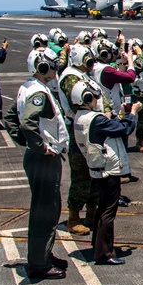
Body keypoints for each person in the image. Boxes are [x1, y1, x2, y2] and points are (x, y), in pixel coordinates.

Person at [14, 49, 70, 280]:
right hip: (44, 160)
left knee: (47, 208)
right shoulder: (39, 93)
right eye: (53, 65)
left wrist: (27, 143)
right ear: (43, 68)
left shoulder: (28, 87)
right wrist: (40, 147)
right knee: (45, 212)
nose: (56, 69)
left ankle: (44, 254)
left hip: (37, 158)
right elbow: (27, 123)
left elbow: (11, 118)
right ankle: (39, 264)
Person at [72, 81, 139, 265]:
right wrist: (132, 114)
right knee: (108, 211)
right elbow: (125, 129)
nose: (97, 100)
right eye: (94, 97)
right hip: (108, 169)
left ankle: (99, 245)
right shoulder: (96, 120)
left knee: (103, 208)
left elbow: (108, 126)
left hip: (98, 168)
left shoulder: (81, 116)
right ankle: (105, 253)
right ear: (87, 98)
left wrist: (116, 116)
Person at [57, 43, 102, 237]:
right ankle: (73, 219)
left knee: (95, 171)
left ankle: (91, 214)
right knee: (81, 174)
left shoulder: (82, 75)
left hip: (90, 125)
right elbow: (79, 103)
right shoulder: (70, 78)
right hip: (79, 129)